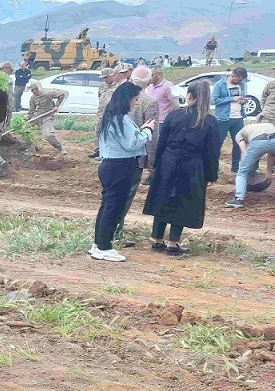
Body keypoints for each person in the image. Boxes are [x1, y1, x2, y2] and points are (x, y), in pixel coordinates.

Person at [144, 80, 220, 254]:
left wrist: (155, 164)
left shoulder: (174, 115)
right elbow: (212, 152)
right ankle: (173, 243)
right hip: (192, 166)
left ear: (189, 95)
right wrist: (210, 175)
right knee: (181, 201)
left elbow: (161, 142)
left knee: (163, 197)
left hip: (168, 162)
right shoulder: (210, 121)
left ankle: (156, 240)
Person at [91, 83, 155, 263]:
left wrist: (141, 131)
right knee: (113, 207)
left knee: (107, 206)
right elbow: (131, 144)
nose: (136, 103)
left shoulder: (111, 117)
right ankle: (104, 247)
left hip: (110, 165)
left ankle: (98, 244)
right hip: (120, 167)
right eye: (135, 99)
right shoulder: (122, 119)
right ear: (127, 99)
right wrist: (148, 130)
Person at [111, 67, 159, 247]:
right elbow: (153, 134)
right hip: (134, 156)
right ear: (148, 82)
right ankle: (115, 231)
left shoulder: (115, 95)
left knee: (111, 196)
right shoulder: (150, 102)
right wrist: (152, 161)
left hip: (113, 154)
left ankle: (108, 229)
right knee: (125, 196)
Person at [225, 121, 275, 209]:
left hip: (258, 141)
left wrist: (246, 163)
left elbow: (244, 151)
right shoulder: (269, 125)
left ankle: (238, 199)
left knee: (241, 172)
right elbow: (271, 153)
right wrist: (268, 172)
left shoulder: (239, 134)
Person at [212, 67, 248, 173]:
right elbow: (215, 100)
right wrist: (231, 99)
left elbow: (243, 97)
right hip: (223, 118)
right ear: (233, 75)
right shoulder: (220, 85)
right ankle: (214, 166)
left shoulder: (242, 85)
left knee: (238, 142)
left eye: (241, 80)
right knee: (218, 143)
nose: (240, 82)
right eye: (239, 80)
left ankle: (235, 166)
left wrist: (243, 100)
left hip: (238, 118)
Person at [91, 65, 128, 159]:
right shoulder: (102, 86)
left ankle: (106, 152)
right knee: (98, 130)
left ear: (112, 76)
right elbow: (100, 97)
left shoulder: (118, 86)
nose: (104, 80)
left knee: (109, 132)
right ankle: (98, 150)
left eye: (106, 77)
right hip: (101, 112)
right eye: (103, 78)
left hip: (112, 113)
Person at [25, 79, 68, 154]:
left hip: (47, 116)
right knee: (24, 129)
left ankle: (60, 148)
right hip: (37, 116)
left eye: (32, 90)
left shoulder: (48, 93)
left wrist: (57, 106)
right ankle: (31, 149)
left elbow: (63, 94)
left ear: (37, 88)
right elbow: (31, 110)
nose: (31, 92)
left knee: (48, 135)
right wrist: (26, 117)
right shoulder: (33, 98)